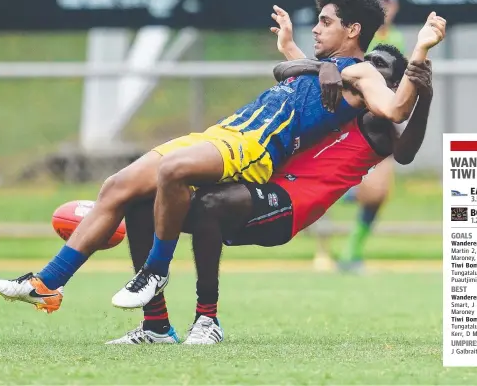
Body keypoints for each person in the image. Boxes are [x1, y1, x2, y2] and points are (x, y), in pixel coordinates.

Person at [0, 0, 445, 314]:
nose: (318, 27)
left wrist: (421, 53)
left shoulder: (362, 73)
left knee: (173, 174)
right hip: (223, 130)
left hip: (255, 147)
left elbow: (395, 109)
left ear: (353, 29)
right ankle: (47, 283)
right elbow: (298, 78)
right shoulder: (323, 66)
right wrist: (292, 50)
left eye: (326, 21)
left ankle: (156, 269)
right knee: (119, 185)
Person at [106, 50, 434, 345]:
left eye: (380, 66)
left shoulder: (377, 123)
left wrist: (425, 96)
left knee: (211, 204)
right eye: (368, 60)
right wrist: (324, 66)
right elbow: (288, 68)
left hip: (291, 204)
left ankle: (207, 319)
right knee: (142, 205)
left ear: (393, 87)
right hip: (259, 184)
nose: (368, 68)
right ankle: (156, 326)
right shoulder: (337, 97)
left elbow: (404, 154)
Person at [338, 0, 408, 273]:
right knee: (370, 190)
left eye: (386, 1)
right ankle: (345, 190)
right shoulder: (353, 36)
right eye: (375, 0)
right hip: (349, 123)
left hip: (380, 123)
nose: (382, 7)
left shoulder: (399, 41)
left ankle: (350, 253)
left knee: (379, 195)